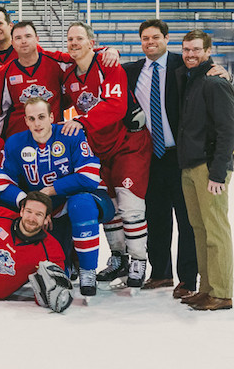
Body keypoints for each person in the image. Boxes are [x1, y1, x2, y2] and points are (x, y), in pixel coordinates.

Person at [0, 97, 114, 297]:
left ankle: (87, 271)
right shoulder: (16, 143)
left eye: (41, 117)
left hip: (84, 199)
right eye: (31, 119)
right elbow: (1, 185)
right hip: (49, 209)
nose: (37, 123)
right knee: (58, 270)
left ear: (51, 117)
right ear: (26, 121)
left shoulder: (71, 134)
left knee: (80, 205)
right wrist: (33, 206)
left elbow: (90, 176)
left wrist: (49, 191)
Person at [61, 22, 152, 288]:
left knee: (130, 205)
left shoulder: (108, 66)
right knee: (108, 206)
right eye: (70, 40)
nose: (74, 43)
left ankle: (138, 260)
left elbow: (115, 107)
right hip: (99, 148)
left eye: (79, 39)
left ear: (92, 42)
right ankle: (118, 258)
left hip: (127, 143)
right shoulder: (69, 76)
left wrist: (82, 122)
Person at [122, 19, 198, 297]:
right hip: (149, 157)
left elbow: (207, 70)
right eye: (145, 38)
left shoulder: (183, 65)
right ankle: (161, 273)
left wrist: (221, 71)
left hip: (180, 156)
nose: (150, 42)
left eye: (155, 37)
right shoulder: (131, 72)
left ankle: (189, 279)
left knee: (187, 220)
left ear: (166, 39)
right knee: (155, 217)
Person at [174, 30, 234, 310]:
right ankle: (207, 287)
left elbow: (227, 130)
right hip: (190, 163)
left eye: (196, 49)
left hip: (210, 166)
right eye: (186, 49)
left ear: (209, 51)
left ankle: (222, 292)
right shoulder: (190, 78)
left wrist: (218, 172)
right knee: (199, 229)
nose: (190, 54)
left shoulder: (214, 82)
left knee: (216, 228)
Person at [0, 21, 71, 139]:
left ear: (37, 39)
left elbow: (83, 56)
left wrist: (106, 51)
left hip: (53, 139)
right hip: (19, 140)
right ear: (12, 43)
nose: (23, 41)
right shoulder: (4, 73)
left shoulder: (56, 62)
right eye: (18, 38)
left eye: (28, 36)